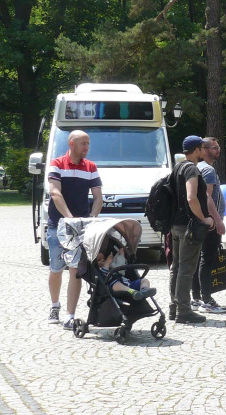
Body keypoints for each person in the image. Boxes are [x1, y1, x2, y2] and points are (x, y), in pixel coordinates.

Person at [46, 129, 102, 330]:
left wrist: (91, 220)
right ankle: (54, 306)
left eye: (88, 143)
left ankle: (70, 315)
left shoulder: (91, 167)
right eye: (83, 143)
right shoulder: (57, 164)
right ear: (71, 144)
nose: (87, 147)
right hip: (58, 225)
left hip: (81, 228)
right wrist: (69, 219)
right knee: (56, 268)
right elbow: (55, 193)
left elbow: (98, 197)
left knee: (75, 271)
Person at [168, 135, 216, 324]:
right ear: (196, 150)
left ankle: (174, 307)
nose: (204, 151)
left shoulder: (177, 167)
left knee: (177, 268)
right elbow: (191, 197)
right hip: (189, 226)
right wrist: (204, 219)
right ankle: (184, 311)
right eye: (202, 148)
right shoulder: (191, 169)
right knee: (186, 269)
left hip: (176, 224)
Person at [192, 137, 226, 314]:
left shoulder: (197, 168)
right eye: (214, 148)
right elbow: (207, 198)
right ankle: (206, 299)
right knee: (206, 260)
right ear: (204, 149)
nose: (218, 151)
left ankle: (196, 298)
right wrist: (218, 220)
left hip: (202, 221)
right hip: (210, 223)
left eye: (218, 147)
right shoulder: (208, 170)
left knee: (198, 259)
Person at [95, 236, 156, 301]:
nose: (102, 260)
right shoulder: (101, 270)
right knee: (116, 284)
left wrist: (122, 255)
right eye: (99, 260)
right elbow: (103, 275)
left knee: (144, 280)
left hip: (128, 283)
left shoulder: (112, 265)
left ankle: (144, 290)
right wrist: (106, 263)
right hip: (116, 286)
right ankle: (132, 292)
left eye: (103, 259)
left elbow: (122, 267)